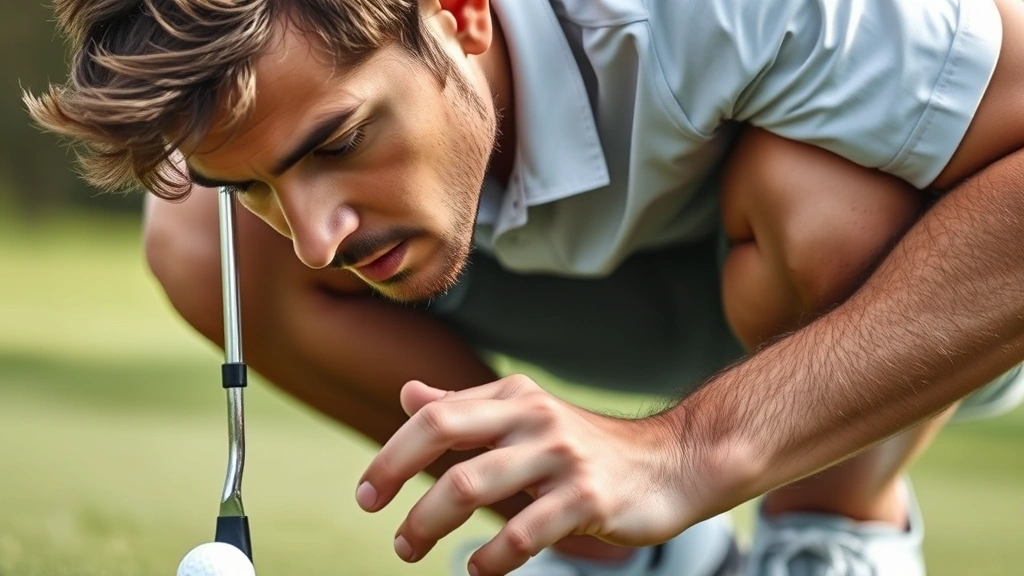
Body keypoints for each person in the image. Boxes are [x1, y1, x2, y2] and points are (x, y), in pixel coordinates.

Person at [24, 0, 1024, 575]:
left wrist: (685, 452)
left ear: (457, 13)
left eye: (338, 140)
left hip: (866, 305)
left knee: (823, 196)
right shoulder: (286, 224)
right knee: (198, 238)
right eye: (259, 183)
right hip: (600, 313)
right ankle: (601, 549)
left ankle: (832, 531)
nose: (315, 242)